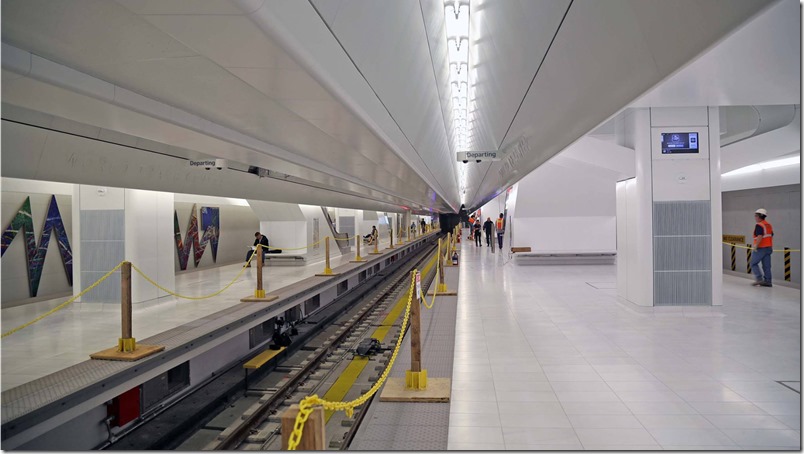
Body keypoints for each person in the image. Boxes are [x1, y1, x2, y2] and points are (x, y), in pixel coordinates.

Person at [751, 208, 774, 287]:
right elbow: (771, 235)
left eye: (756, 216)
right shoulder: (768, 225)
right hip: (768, 248)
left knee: (753, 263)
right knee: (766, 266)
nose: (755, 217)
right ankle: (768, 281)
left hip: (761, 248)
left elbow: (760, 236)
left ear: (759, 216)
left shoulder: (759, 225)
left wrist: (756, 246)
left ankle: (759, 279)